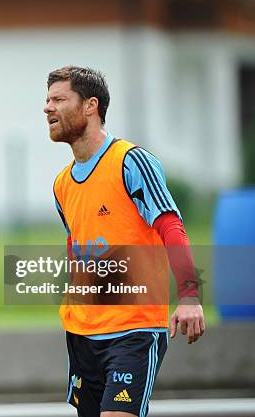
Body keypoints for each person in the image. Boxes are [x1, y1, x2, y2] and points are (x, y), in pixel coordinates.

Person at [44, 66, 205, 417]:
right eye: (47, 100)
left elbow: (171, 227)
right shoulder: (61, 184)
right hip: (82, 333)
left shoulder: (131, 161)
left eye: (58, 99)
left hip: (133, 329)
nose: (47, 108)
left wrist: (190, 296)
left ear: (91, 106)